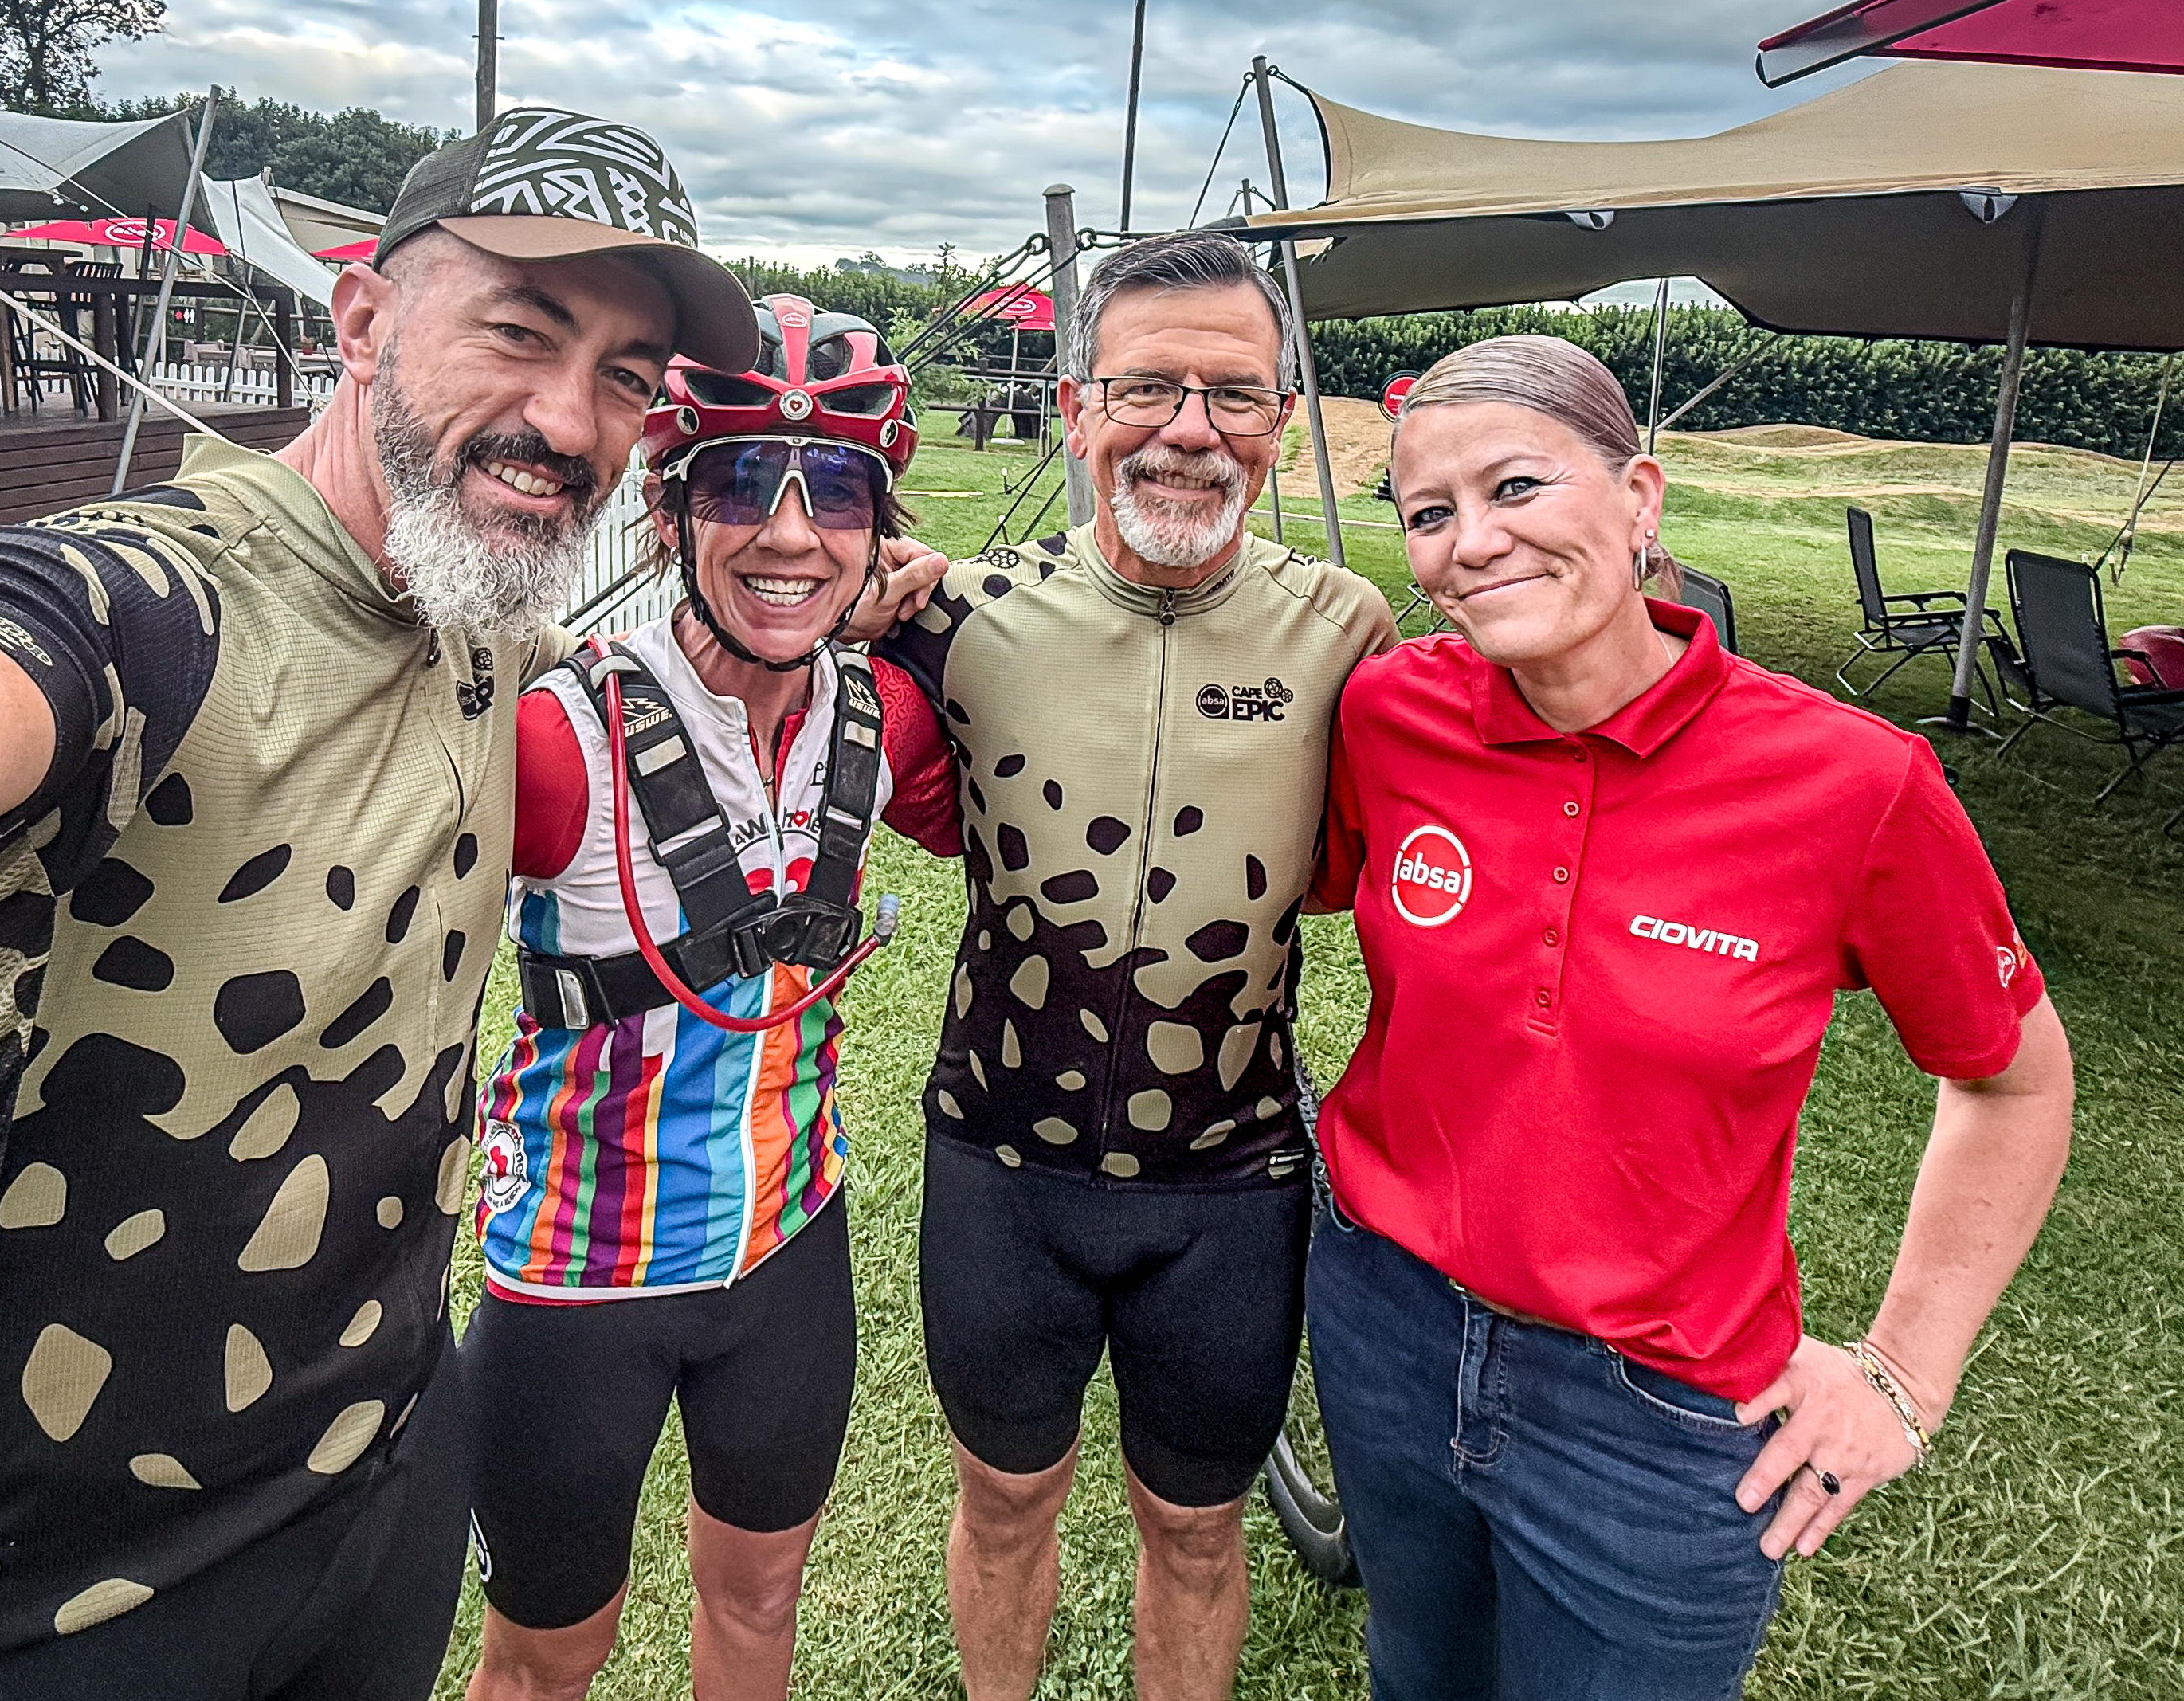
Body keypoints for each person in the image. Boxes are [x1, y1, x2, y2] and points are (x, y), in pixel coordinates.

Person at [0, 105, 763, 1700]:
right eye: (519, 330)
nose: (569, 419)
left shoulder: (480, 623)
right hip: (62, 1585)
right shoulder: (145, 606)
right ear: (361, 317)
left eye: (626, 375)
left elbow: (673, 667)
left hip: (383, 1473)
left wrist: (892, 596)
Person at [1302, 335, 2073, 1699]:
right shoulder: (1388, 713)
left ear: (1640, 496)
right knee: (1418, 1668)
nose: (1472, 543)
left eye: (1518, 487)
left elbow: (2015, 1081)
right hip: (1382, 1323)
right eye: (1429, 513)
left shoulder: (1853, 783)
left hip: (1656, 1413)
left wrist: (1905, 1372)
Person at [880, 231, 1398, 1701]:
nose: (1189, 430)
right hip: (1001, 1167)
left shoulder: (1343, 630)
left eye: (1232, 396)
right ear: (1076, 406)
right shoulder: (957, 617)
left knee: (1195, 1531)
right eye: (1148, 388)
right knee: (1004, 1503)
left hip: (1229, 1185)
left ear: (1281, 420)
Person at [461, 297, 959, 1701]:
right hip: (577, 1280)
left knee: (760, 1602)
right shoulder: (558, 740)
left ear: (877, 529)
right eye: (742, 483)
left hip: (789, 1248)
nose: (791, 535)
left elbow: (1000, 805)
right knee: (547, 1658)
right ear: (670, 512)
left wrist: (940, 610)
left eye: (837, 493)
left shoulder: (884, 717)